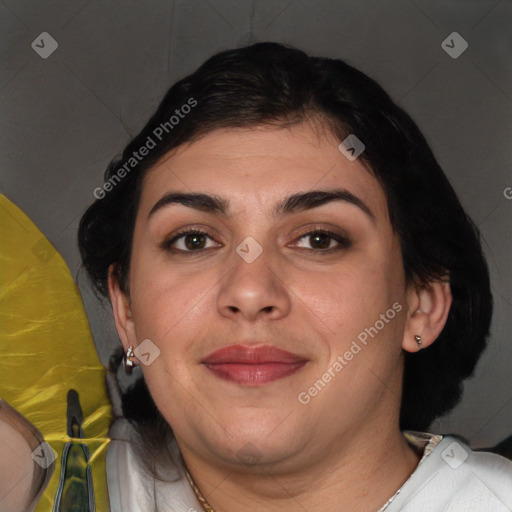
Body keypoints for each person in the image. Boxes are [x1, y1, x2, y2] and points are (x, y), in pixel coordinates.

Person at [78, 42, 512, 511]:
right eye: (195, 240)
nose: (248, 292)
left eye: (319, 240)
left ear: (422, 303)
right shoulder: (57, 477)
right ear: (126, 310)